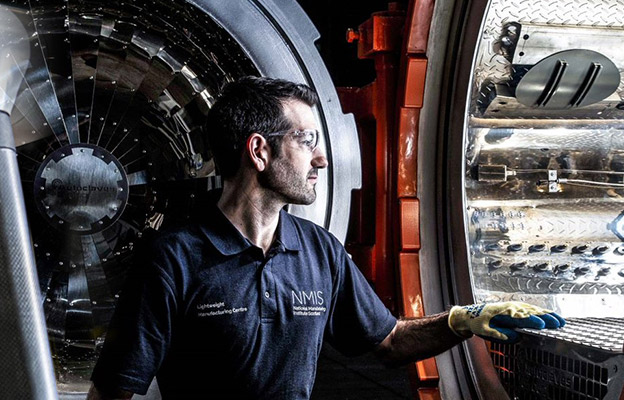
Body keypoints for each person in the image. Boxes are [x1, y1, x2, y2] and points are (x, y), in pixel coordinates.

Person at [87, 76, 565, 399]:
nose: (321, 160)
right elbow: (113, 391)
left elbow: (390, 341)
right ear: (259, 150)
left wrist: (461, 320)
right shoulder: (174, 258)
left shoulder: (318, 250)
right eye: (307, 141)